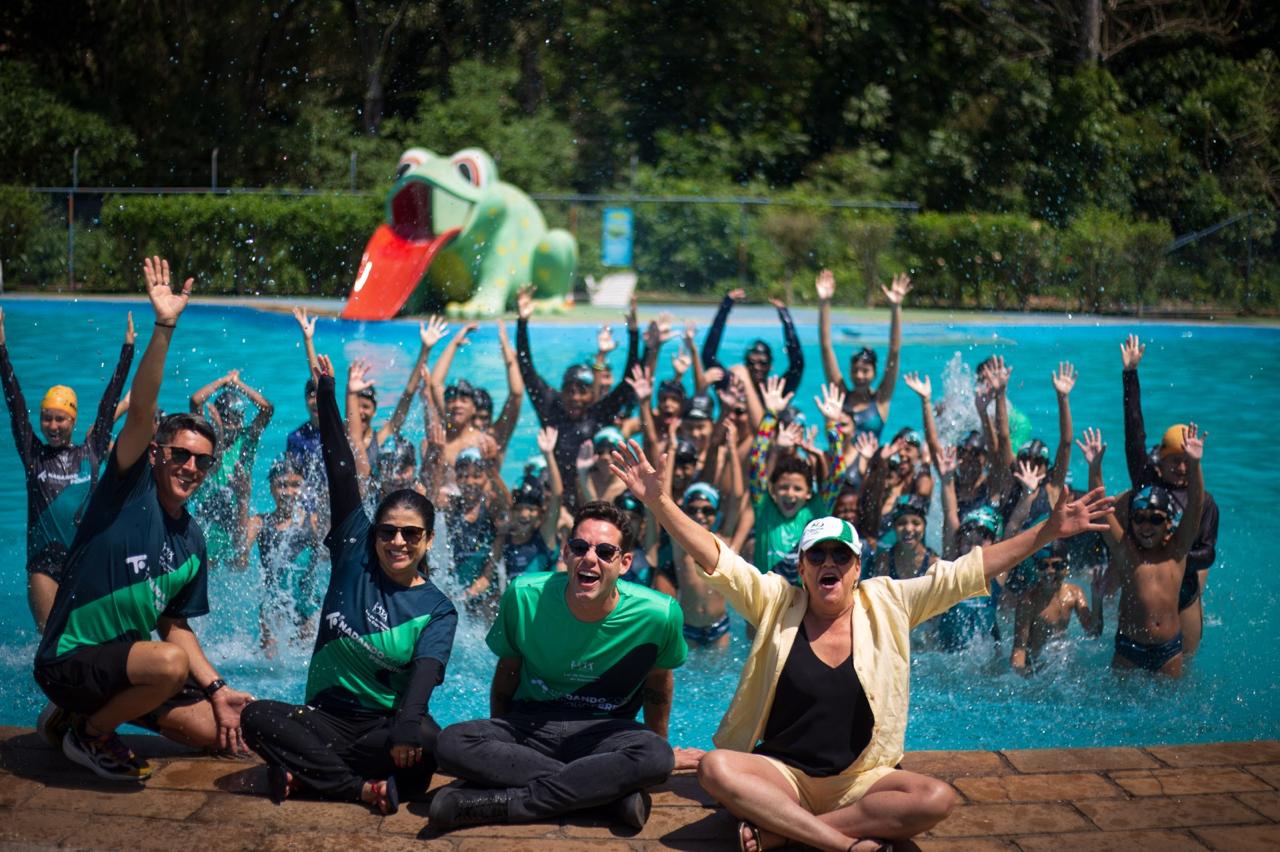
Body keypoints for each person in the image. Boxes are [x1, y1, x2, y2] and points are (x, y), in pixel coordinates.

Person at [610, 438, 1114, 851]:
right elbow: (718, 556)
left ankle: (783, 832)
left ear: (856, 568)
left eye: (841, 555)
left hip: (861, 779)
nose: (829, 562)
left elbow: (970, 571)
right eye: (817, 555)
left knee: (935, 797)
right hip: (784, 774)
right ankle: (839, 841)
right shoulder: (774, 602)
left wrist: (1047, 531)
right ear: (803, 567)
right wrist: (659, 502)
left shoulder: (890, 602)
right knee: (717, 768)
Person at [32, 257, 253, 782]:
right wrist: (164, 326)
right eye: (179, 454)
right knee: (169, 667)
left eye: (202, 460)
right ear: (155, 454)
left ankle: (75, 720)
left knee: (211, 734)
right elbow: (143, 405)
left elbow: (174, 624)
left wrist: (219, 690)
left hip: (127, 668)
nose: (190, 466)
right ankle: (88, 735)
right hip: (71, 662)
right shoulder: (126, 491)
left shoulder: (192, 542)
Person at [240, 354, 458, 814]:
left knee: (426, 742)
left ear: (427, 540)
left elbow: (424, 677)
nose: (397, 541)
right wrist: (328, 395)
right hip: (323, 719)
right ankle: (359, 789)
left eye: (410, 534)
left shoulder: (437, 608)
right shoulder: (354, 548)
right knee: (255, 716)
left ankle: (309, 774)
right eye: (387, 531)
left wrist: (404, 729)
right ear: (372, 532)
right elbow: (340, 469)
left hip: (379, 727)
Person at [430, 500, 689, 832]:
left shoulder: (658, 614)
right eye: (580, 547)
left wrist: (661, 742)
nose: (590, 558)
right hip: (531, 726)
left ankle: (502, 804)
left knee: (656, 756)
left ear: (624, 563)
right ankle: (607, 796)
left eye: (605, 551)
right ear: (566, 552)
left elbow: (658, 682)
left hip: (605, 733)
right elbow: (508, 671)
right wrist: (500, 745)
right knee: (450, 743)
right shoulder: (525, 595)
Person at [0, 308, 135, 631]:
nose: (53, 425)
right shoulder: (33, 454)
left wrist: (127, 349)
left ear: (73, 422)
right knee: (50, 639)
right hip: (44, 565)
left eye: (60, 418)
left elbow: (109, 400)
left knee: (87, 638)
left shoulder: (91, 451)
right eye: (47, 417)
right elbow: (14, 400)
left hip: (84, 559)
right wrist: (1, 347)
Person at [1119, 335, 1219, 657]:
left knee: (1183, 665)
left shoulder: (1204, 502)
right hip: (1145, 581)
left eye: (1185, 460)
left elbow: (1208, 553)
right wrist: (1130, 374)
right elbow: (1134, 433)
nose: (1180, 467)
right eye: (1173, 459)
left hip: (1184, 587)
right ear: (1159, 460)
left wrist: (1173, 551)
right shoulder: (1148, 481)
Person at [1081, 425, 1205, 678]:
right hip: (1129, 647)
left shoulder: (1177, 551)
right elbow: (1101, 509)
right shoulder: (1126, 552)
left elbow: (1196, 505)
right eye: (1139, 518)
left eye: (1156, 520)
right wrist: (1094, 468)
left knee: (1169, 712)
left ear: (1169, 523)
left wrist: (1194, 465)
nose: (1147, 526)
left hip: (1168, 649)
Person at [516, 285, 639, 510]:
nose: (575, 397)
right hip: (554, 499)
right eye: (570, 390)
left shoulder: (598, 413)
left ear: (592, 393)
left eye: (582, 391)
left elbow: (628, 381)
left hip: (588, 496)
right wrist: (522, 323)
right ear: (561, 391)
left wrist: (633, 334)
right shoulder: (550, 406)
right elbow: (526, 369)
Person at [188, 369, 274, 567]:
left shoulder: (247, 440)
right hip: (206, 519)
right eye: (225, 418)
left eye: (235, 418)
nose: (230, 424)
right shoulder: (206, 437)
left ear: (242, 419)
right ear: (217, 417)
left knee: (235, 566)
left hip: (234, 521)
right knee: (203, 566)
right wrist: (222, 381)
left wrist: (237, 384)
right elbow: (195, 401)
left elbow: (267, 409)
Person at [242, 457, 324, 657]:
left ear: (305, 487)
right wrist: (242, 499)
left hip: (309, 606)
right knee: (272, 661)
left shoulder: (313, 522)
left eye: (296, 485)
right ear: (271, 488)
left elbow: (330, 554)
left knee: (309, 658)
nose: (288, 492)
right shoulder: (259, 523)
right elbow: (239, 559)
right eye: (281, 485)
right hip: (274, 606)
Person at [816, 269, 910, 439]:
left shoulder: (880, 400)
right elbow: (825, 347)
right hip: (838, 463)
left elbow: (894, 352)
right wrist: (824, 303)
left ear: (874, 372)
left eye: (865, 370)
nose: (859, 375)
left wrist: (896, 307)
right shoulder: (840, 395)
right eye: (855, 370)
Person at [1010, 540, 1101, 675]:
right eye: (1043, 565)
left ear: (1067, 568)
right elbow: (1019, 649)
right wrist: (1021, 677)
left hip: (1060, 663)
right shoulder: (1028, 602)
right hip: (1035, 668)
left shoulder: (1075, 594)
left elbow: (1093, 632)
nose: (1050, 571)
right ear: (1036, 568)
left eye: (1057, 565)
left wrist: (1097, 598)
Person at [700, 289, 804, 396]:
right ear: (744, 365)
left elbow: (797, 365)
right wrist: (725, 306)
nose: (756, 367)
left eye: (762, 363)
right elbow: (708, 356)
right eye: (751, 362)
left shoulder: (775, 392)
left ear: (770, 366)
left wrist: (785, 315)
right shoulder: (732, 388)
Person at [499, 427, 563, 580]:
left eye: (531, 509)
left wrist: (548, 455)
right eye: (519, 509)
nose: (524, 514)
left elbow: (557, 495)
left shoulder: (544, 537)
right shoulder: (504, 541)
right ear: (511, 511)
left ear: (541, 513)